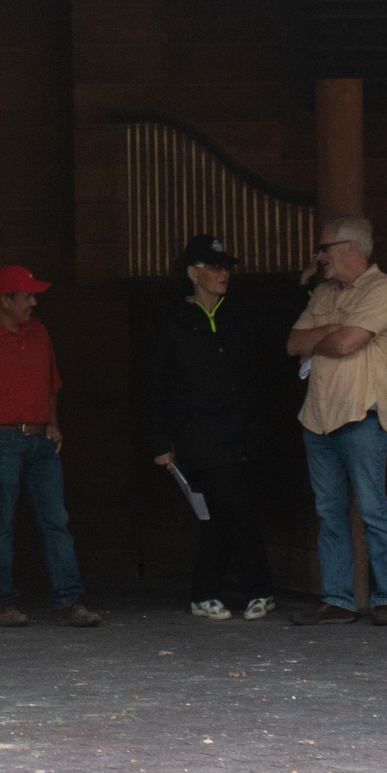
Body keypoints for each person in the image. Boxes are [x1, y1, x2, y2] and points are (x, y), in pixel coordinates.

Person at [0, 265, 102, 628]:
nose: (34, 302)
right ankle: (2, 602)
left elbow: (51, 386)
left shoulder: (39, 333)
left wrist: (53, 424)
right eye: (27, 296)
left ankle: (69, 600)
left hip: (40, 440)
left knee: (56, 520)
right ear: (4, 300)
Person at [138, 234, 284, 621]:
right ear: (192, 273)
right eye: (215, 267)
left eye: (226, 267)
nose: (224, 273)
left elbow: (266, 368)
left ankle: (203, 594)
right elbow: (153, 384)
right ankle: (260, 589)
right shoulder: (171, 321)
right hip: (200, 436)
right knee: (235, 506)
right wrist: (158, 441)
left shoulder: (242, 314)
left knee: (221, 512)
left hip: (245, 433)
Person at [286, 215, 387, 626]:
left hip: (361, 414)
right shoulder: (323, 292)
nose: (318, 256)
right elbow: (293, 344)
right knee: (329, 513)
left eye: (324, 248)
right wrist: (333, 330)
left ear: (350, 248)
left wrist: (326, 336)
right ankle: (338, 600)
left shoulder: (384, 289)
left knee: (372, 509)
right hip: (317, 418)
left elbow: (345, 343)